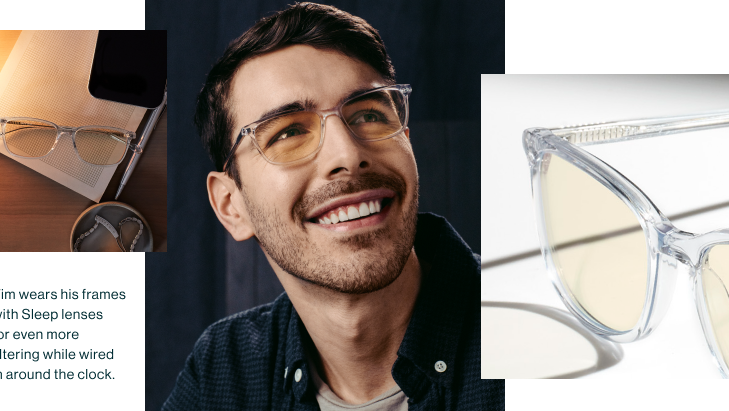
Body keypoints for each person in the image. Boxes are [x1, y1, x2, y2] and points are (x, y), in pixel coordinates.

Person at [163, 3, 500, 410]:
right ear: (232, 206)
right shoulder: (224, 368)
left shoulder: (545, 327)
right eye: (288, 132)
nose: (347, 153)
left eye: (370, 115)